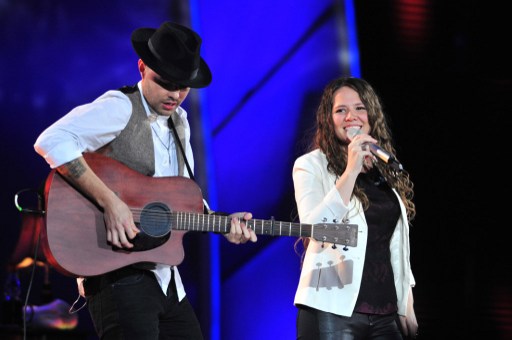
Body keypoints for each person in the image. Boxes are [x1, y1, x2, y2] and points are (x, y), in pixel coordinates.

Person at [34, 21, 257, 339]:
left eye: (183, 86)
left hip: (167, 279)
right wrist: (110, 202)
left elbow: (183, 194)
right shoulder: (120, 107)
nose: (176, 95)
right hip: (117, 274)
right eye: (166, 83)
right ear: (142, 67)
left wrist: (221, 222)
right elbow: (51, 140)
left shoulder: (180, 122)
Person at [292, 76, 418, 339]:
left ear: (371, 115)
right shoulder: (311, 165)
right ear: (329, 118)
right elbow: (316, 228)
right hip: (331, 311)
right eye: (341, 110)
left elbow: (394, 245)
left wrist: (407, 303)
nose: (351, 116)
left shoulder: (384, 173)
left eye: (360, 108)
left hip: (386, 313)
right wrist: (351, 170)